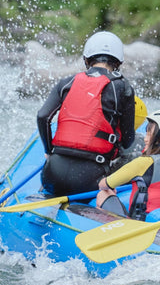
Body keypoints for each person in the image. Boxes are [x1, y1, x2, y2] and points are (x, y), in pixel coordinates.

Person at [37, 31, 135, 196]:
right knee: (132, 152)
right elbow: (127, 141)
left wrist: (49, 150)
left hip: (52, 174)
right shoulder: (123, 87)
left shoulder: (67, 82)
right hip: (90, 180)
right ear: (119, 62)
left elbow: (43, 116)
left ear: (87, 59)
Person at [95, 109, 160, 220]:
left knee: (103, 194)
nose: (145, 139)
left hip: (139, 223)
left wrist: (110, 187)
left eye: (149, 134)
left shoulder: (144, 162)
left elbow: (104, 184)